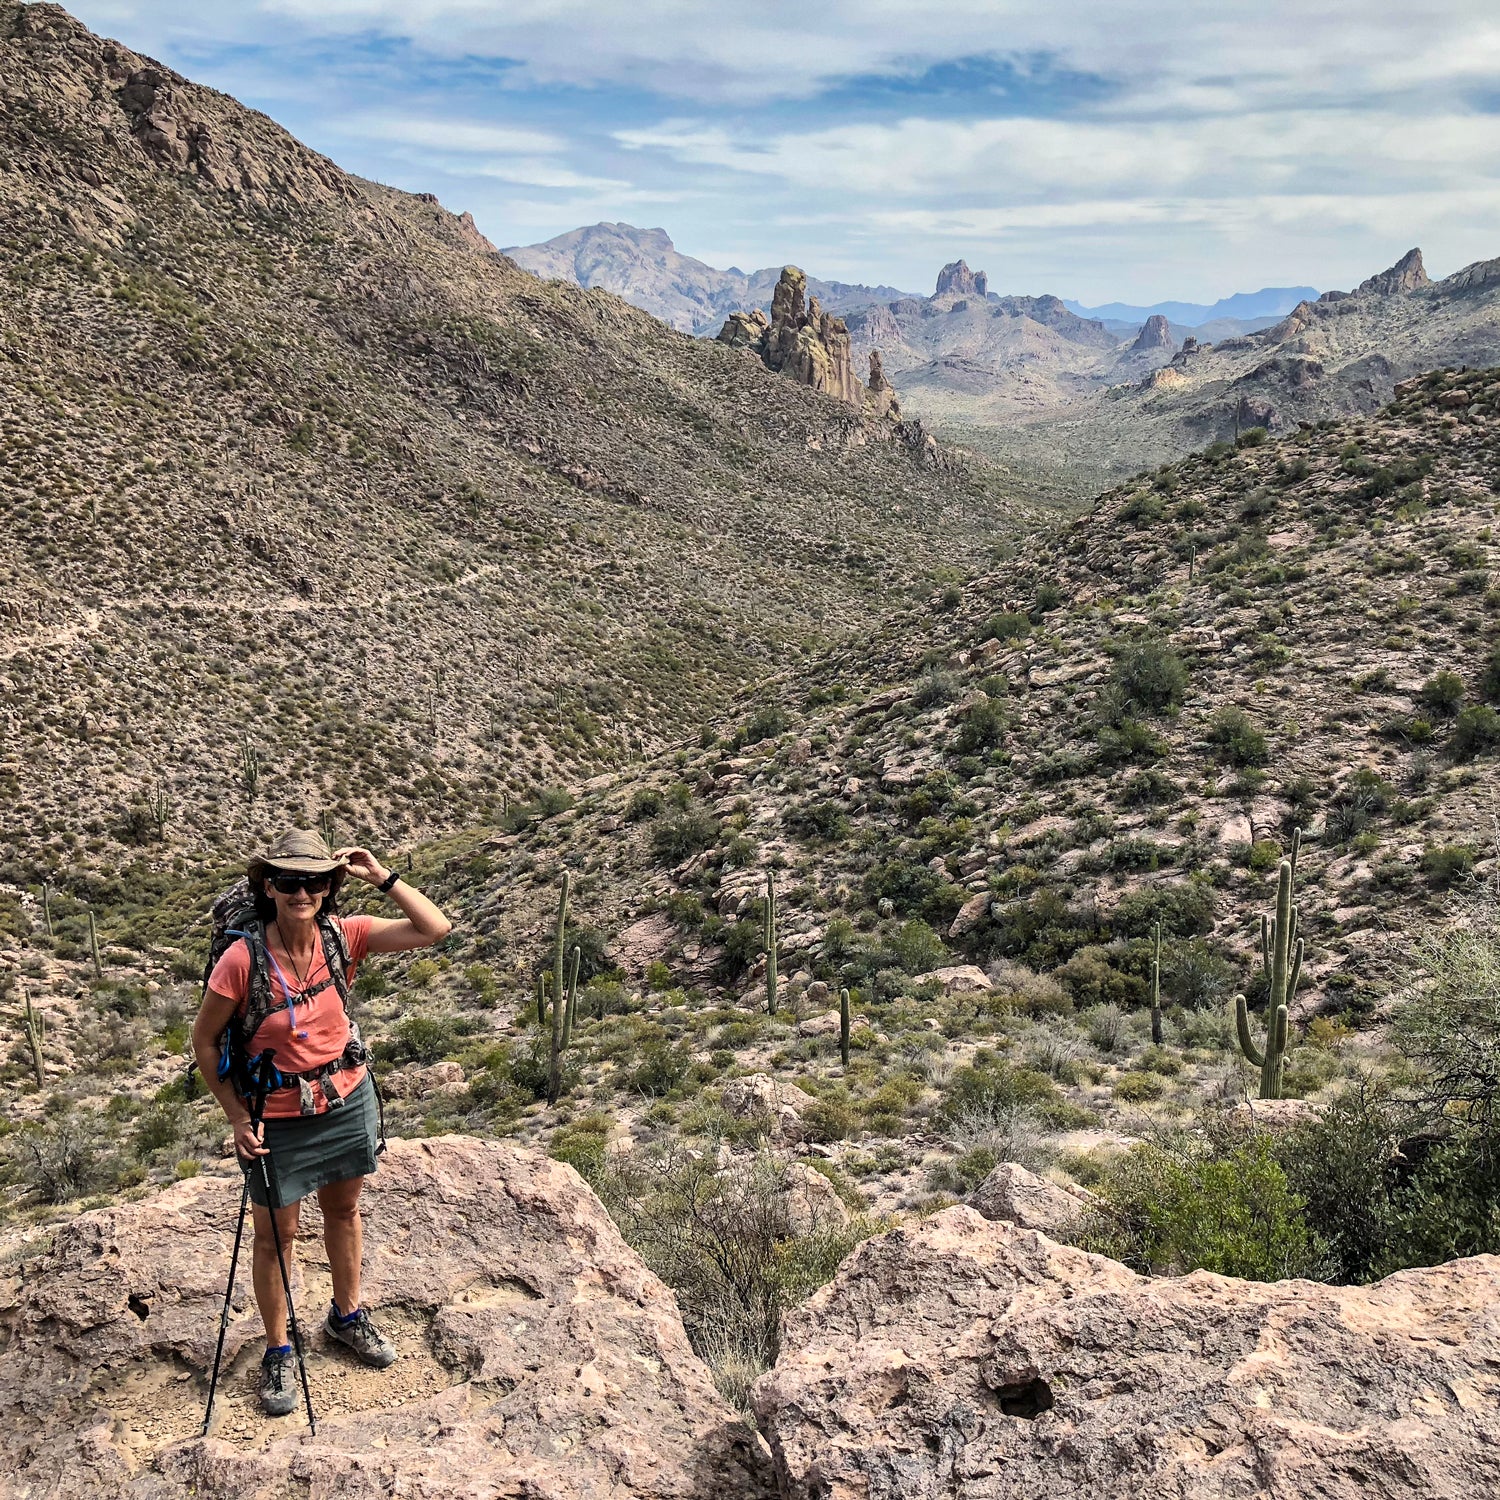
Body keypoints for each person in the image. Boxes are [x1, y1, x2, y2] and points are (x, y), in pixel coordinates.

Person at [190, 829, 452, 1416]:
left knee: (344, 1211)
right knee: (276, 1236)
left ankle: (346, 1316)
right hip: (275, 1117)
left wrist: (380, 876)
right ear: (270, 888)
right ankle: (279, 1350)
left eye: (313, 880)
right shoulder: (243, 958)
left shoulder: (344, 936)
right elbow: (205, 1042)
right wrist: (235, 1115)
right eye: (288, 881)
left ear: (329, 886)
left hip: (345, 1098)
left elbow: (435, 929)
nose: (301, 891)